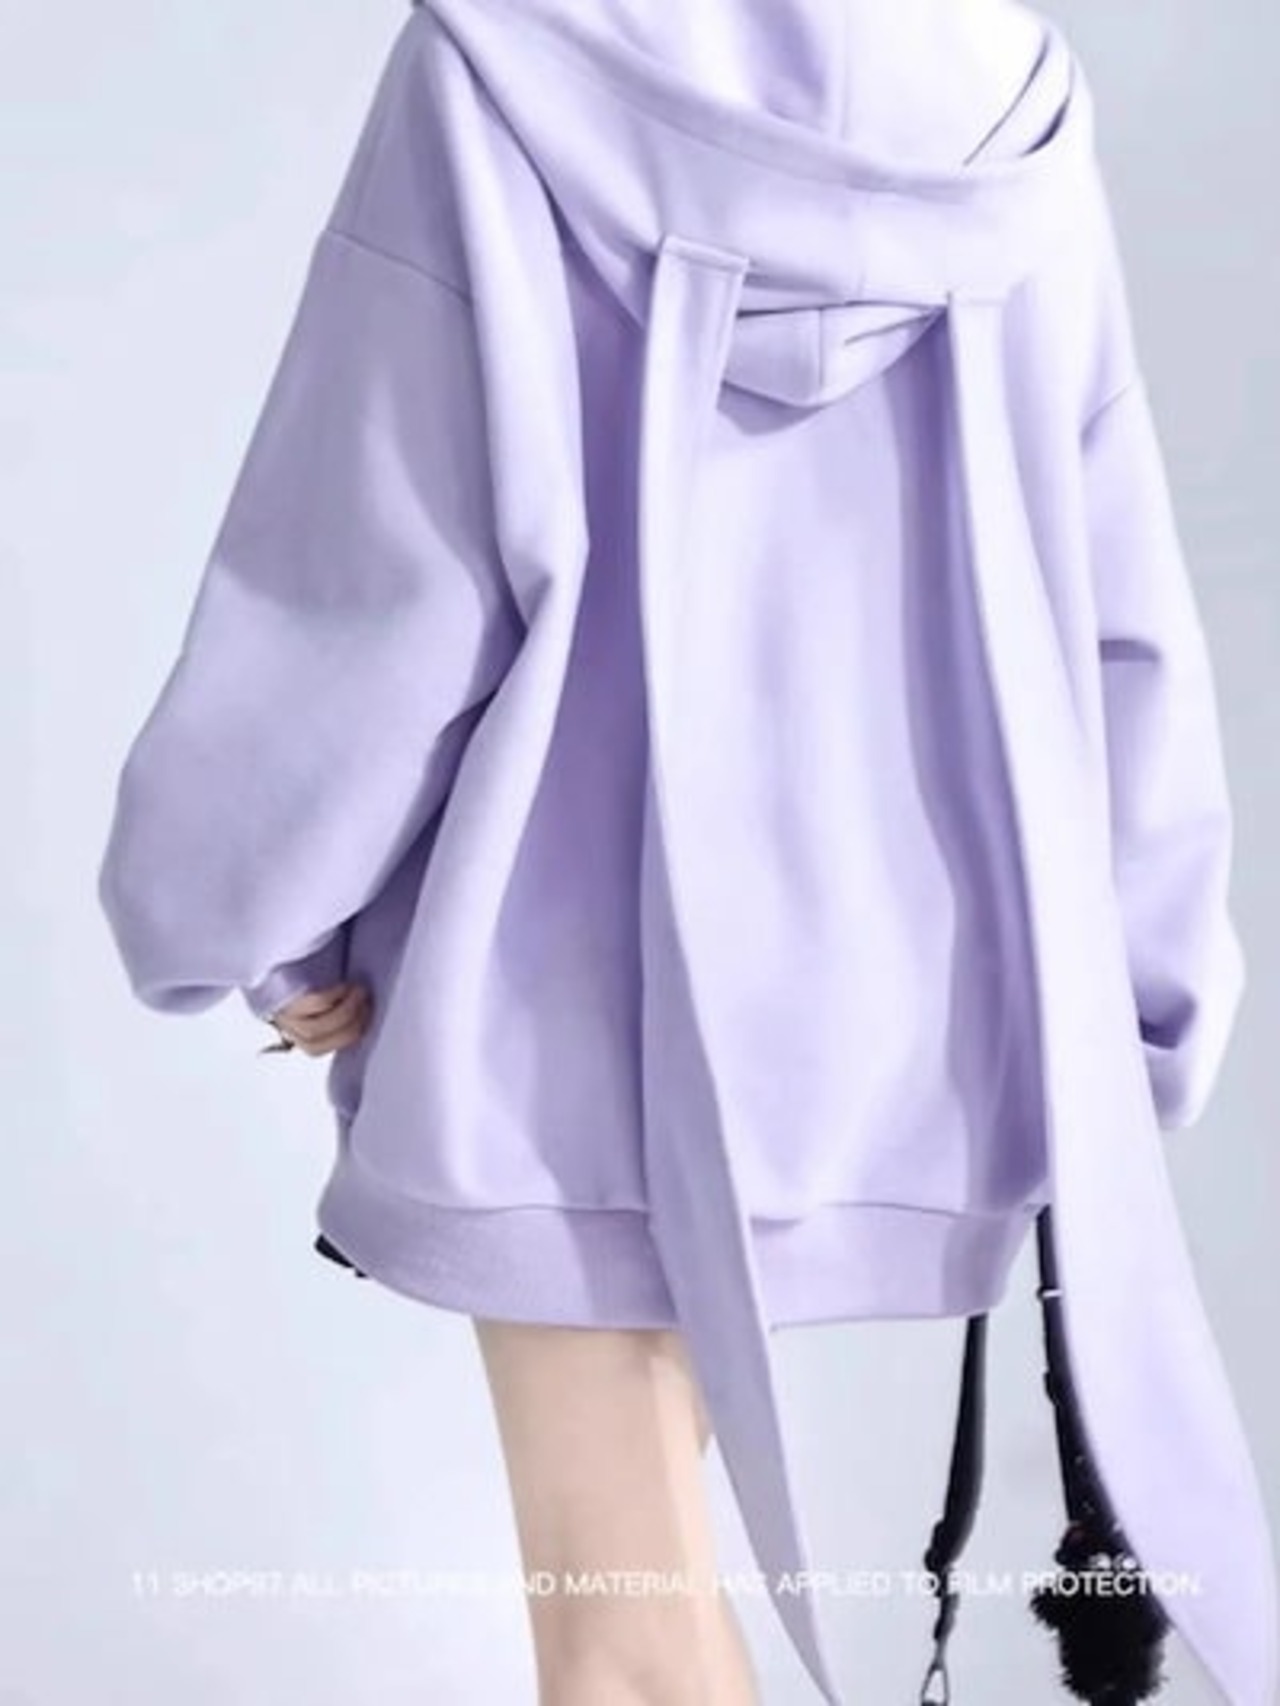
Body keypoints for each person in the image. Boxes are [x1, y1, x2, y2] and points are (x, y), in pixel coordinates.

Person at [98, 1, 1277, 1702]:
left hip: (568, 1010)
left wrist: (243, 919)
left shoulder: (502, 64)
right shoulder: (1001, 79)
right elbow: (1115, 586)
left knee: (623, 1644)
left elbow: (378, 562)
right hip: (923, 998)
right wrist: (1144, 1002)